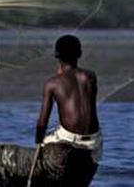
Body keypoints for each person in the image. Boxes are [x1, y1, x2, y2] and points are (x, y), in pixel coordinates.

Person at [34, 35, 102, 163]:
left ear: (56, 55)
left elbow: (42, 123)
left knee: (45, 141)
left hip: (68, 139)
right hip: (94, 141)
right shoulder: (90, 76)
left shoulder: (52, 83)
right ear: (80, 54)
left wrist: (39, 142)